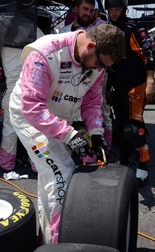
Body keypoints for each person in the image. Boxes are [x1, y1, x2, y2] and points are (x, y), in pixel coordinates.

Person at [9, 23, 125, 244]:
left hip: (57, 120)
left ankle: (43, 239)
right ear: (91, 46)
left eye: (104, 67)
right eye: (99, 63)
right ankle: (57, 245)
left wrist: (96, 132)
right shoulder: (46, 53)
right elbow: (32, 107)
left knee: (50, 179)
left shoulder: (97, 63)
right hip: (29, 119)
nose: (100, 69)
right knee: (62, 175)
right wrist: (69, 135)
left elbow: (92, 102)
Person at [105, 0, 155, 187]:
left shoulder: (134, 28)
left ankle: (143, 166)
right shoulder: (107, 29)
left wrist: (150, 81)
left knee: (134, 127)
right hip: (117, 87)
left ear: (124, 9)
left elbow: (148, 53)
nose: (114, 11)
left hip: (136, 85)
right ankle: (124, 162)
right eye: (111, 8)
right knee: (120, 126)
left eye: (118, 8)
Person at [59, 0, 112, 156]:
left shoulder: (97, 30)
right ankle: (72, 152)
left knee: (102, 112)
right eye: (85, 9)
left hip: (94, 79)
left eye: (91, 10)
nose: (87, 13)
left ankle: (103, 150)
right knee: (67, 115)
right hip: (66, 81)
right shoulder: (63, 31)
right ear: (76, 8)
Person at [0, 26, 44, 171]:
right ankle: (38, 164)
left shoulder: (2, 28)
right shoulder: (35, 30)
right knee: (34, 129)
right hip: (31, 92)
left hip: (13, 93)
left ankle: (6, 164)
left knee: (10, 128)